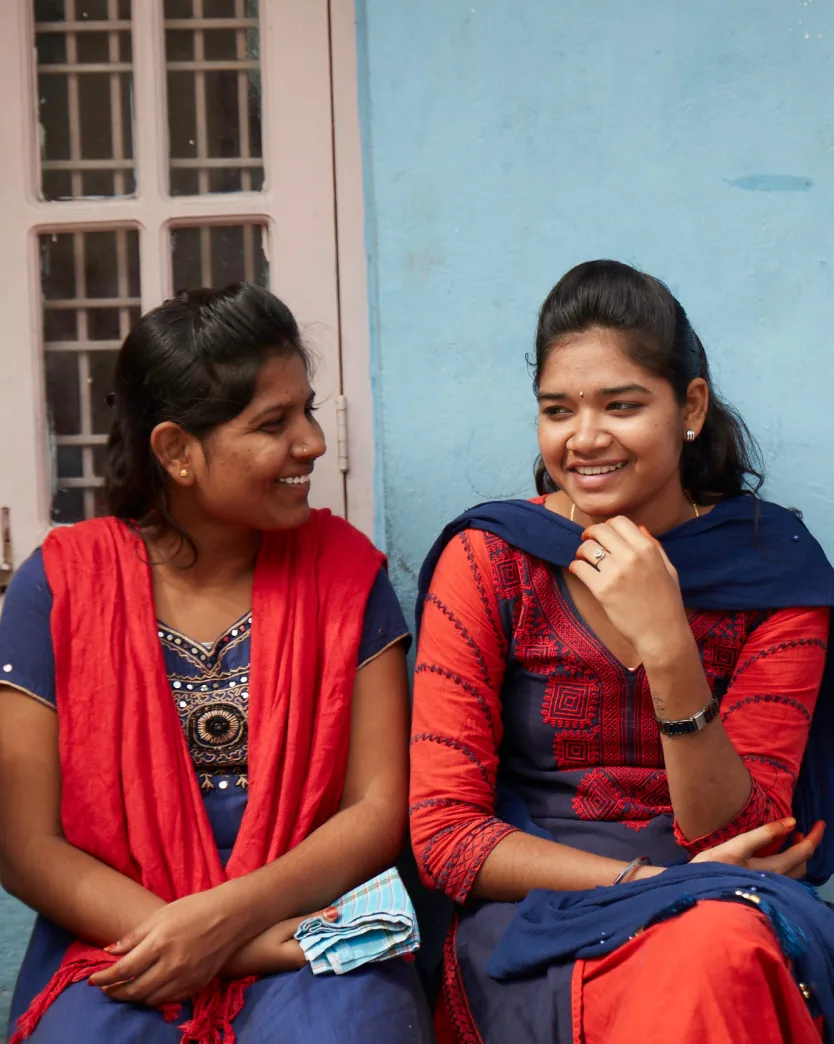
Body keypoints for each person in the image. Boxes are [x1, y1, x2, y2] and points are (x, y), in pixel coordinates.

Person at [409, 260, 834, 1044]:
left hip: (728, 911)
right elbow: (443, 835)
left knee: (720, 950)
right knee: (713, 945)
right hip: (541, 918)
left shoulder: (775, 573)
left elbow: (746, 837)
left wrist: (669, 644)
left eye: (623, 405)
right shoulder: (494, 561)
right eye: (558, 409)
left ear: (691, 407)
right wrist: (654, 887)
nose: (586, 437)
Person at [0, 284, 432, 1044]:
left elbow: (377, 810)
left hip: (310, 929)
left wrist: (225, 926)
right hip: (122, 937)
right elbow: (25, 844)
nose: (312, 444)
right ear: (176, 451)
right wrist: (185, 938)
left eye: (308, 412)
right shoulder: (61, 585)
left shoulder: (345, 575)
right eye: (274, 424)